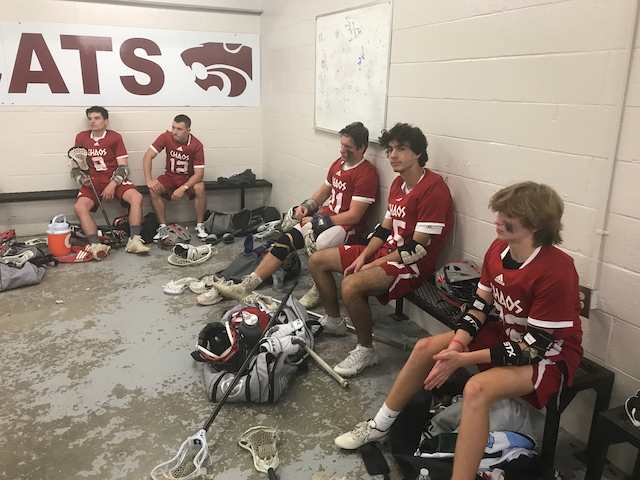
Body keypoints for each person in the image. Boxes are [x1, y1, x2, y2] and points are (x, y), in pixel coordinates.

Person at [334, 181, 584, 480]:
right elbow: (478, 307)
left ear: (535, 223)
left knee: (476, 389)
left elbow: (533, 348)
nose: (497, 220)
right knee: (426, 348)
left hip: (551, 356)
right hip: (509, 334)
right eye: (499, 212)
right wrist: (455, 347)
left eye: (508, 216)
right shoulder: (497, 249)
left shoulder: (557, 269)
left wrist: (462, 359)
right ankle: (381, 425)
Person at [309, 123, 454, 376]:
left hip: (411, 264)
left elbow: (417, 247)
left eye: (401, 149)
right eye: (390, 150)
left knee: (351, 285)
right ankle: (334, 320)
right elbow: (384, 230)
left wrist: (373, 264)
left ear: (418, 153)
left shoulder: (434, 189)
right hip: (386, 252)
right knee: (317, 260)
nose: (393, 155)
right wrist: (365, 255)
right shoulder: (398, 184)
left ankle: (367, 350)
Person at [209, 121, 378, 306]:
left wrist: (318, 222)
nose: (342, 150)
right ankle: (247, 286)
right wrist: (308, 205)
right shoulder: (338, 164)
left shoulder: (366, 174)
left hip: (347, 227)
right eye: (341, 145)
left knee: (321, 243)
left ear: (362, 148)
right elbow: (324, 191)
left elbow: (354, 216)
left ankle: (320, 289)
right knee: (284, 241)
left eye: (348, 147)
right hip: (327, 218)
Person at [72, 106, 149, 259]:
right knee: (79, 207)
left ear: (106, 121)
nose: (92, 121)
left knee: (137, 197)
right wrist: (81, 179)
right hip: (93, 181)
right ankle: (95, 245)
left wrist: (113, 184)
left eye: (97, 118)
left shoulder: (115, 137)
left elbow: (124, 168)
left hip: (113, 179)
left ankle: (134, 240)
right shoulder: (81, 137)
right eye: (90, 118)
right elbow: (75, 169)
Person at [142, 115, 208, 240]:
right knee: (153, 190)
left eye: (179, 129)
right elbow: (147, 156)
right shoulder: (165, 137)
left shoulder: (196, 145)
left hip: (187, 178)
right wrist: (149, 180)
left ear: (188, 130)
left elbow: (199, 174)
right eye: (173, 127)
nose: (174, 132)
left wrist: (183, 188)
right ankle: (163, 227)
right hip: (170, 176)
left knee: (200, 187)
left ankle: (200, 225)